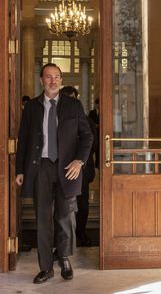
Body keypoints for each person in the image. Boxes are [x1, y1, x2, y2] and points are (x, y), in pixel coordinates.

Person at [15, 63, 93, 284]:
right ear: (41, 80)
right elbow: (24, 141)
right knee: (43, 219)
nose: (53, 81)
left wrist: (80, 161)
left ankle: (65, 259)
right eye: (48, 77)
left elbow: (87, 137)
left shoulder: (74, 105)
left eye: (57, 77)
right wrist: (20, 170)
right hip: (42, 168)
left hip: (68, 168)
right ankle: (46, 267)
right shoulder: (31, 107)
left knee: (65, 216)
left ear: (61, 80)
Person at [61, 86, 97, 247]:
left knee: (82, 204)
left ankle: (80, 231)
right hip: (61, 169)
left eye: (73, 98)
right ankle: (64, 238)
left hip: (82, 169)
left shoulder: (87, 120)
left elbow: (93, 143)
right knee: (63, 204)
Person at [88, 98, 100, 169]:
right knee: (95, 148)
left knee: (100, 149)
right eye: (97, 104)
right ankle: (95, 164)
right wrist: (94, 125)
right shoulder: (92, 112)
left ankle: (98, 164)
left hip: (101, 132)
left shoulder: (104, 111)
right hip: (94, 132)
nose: (98, 105)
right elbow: (89, 122)